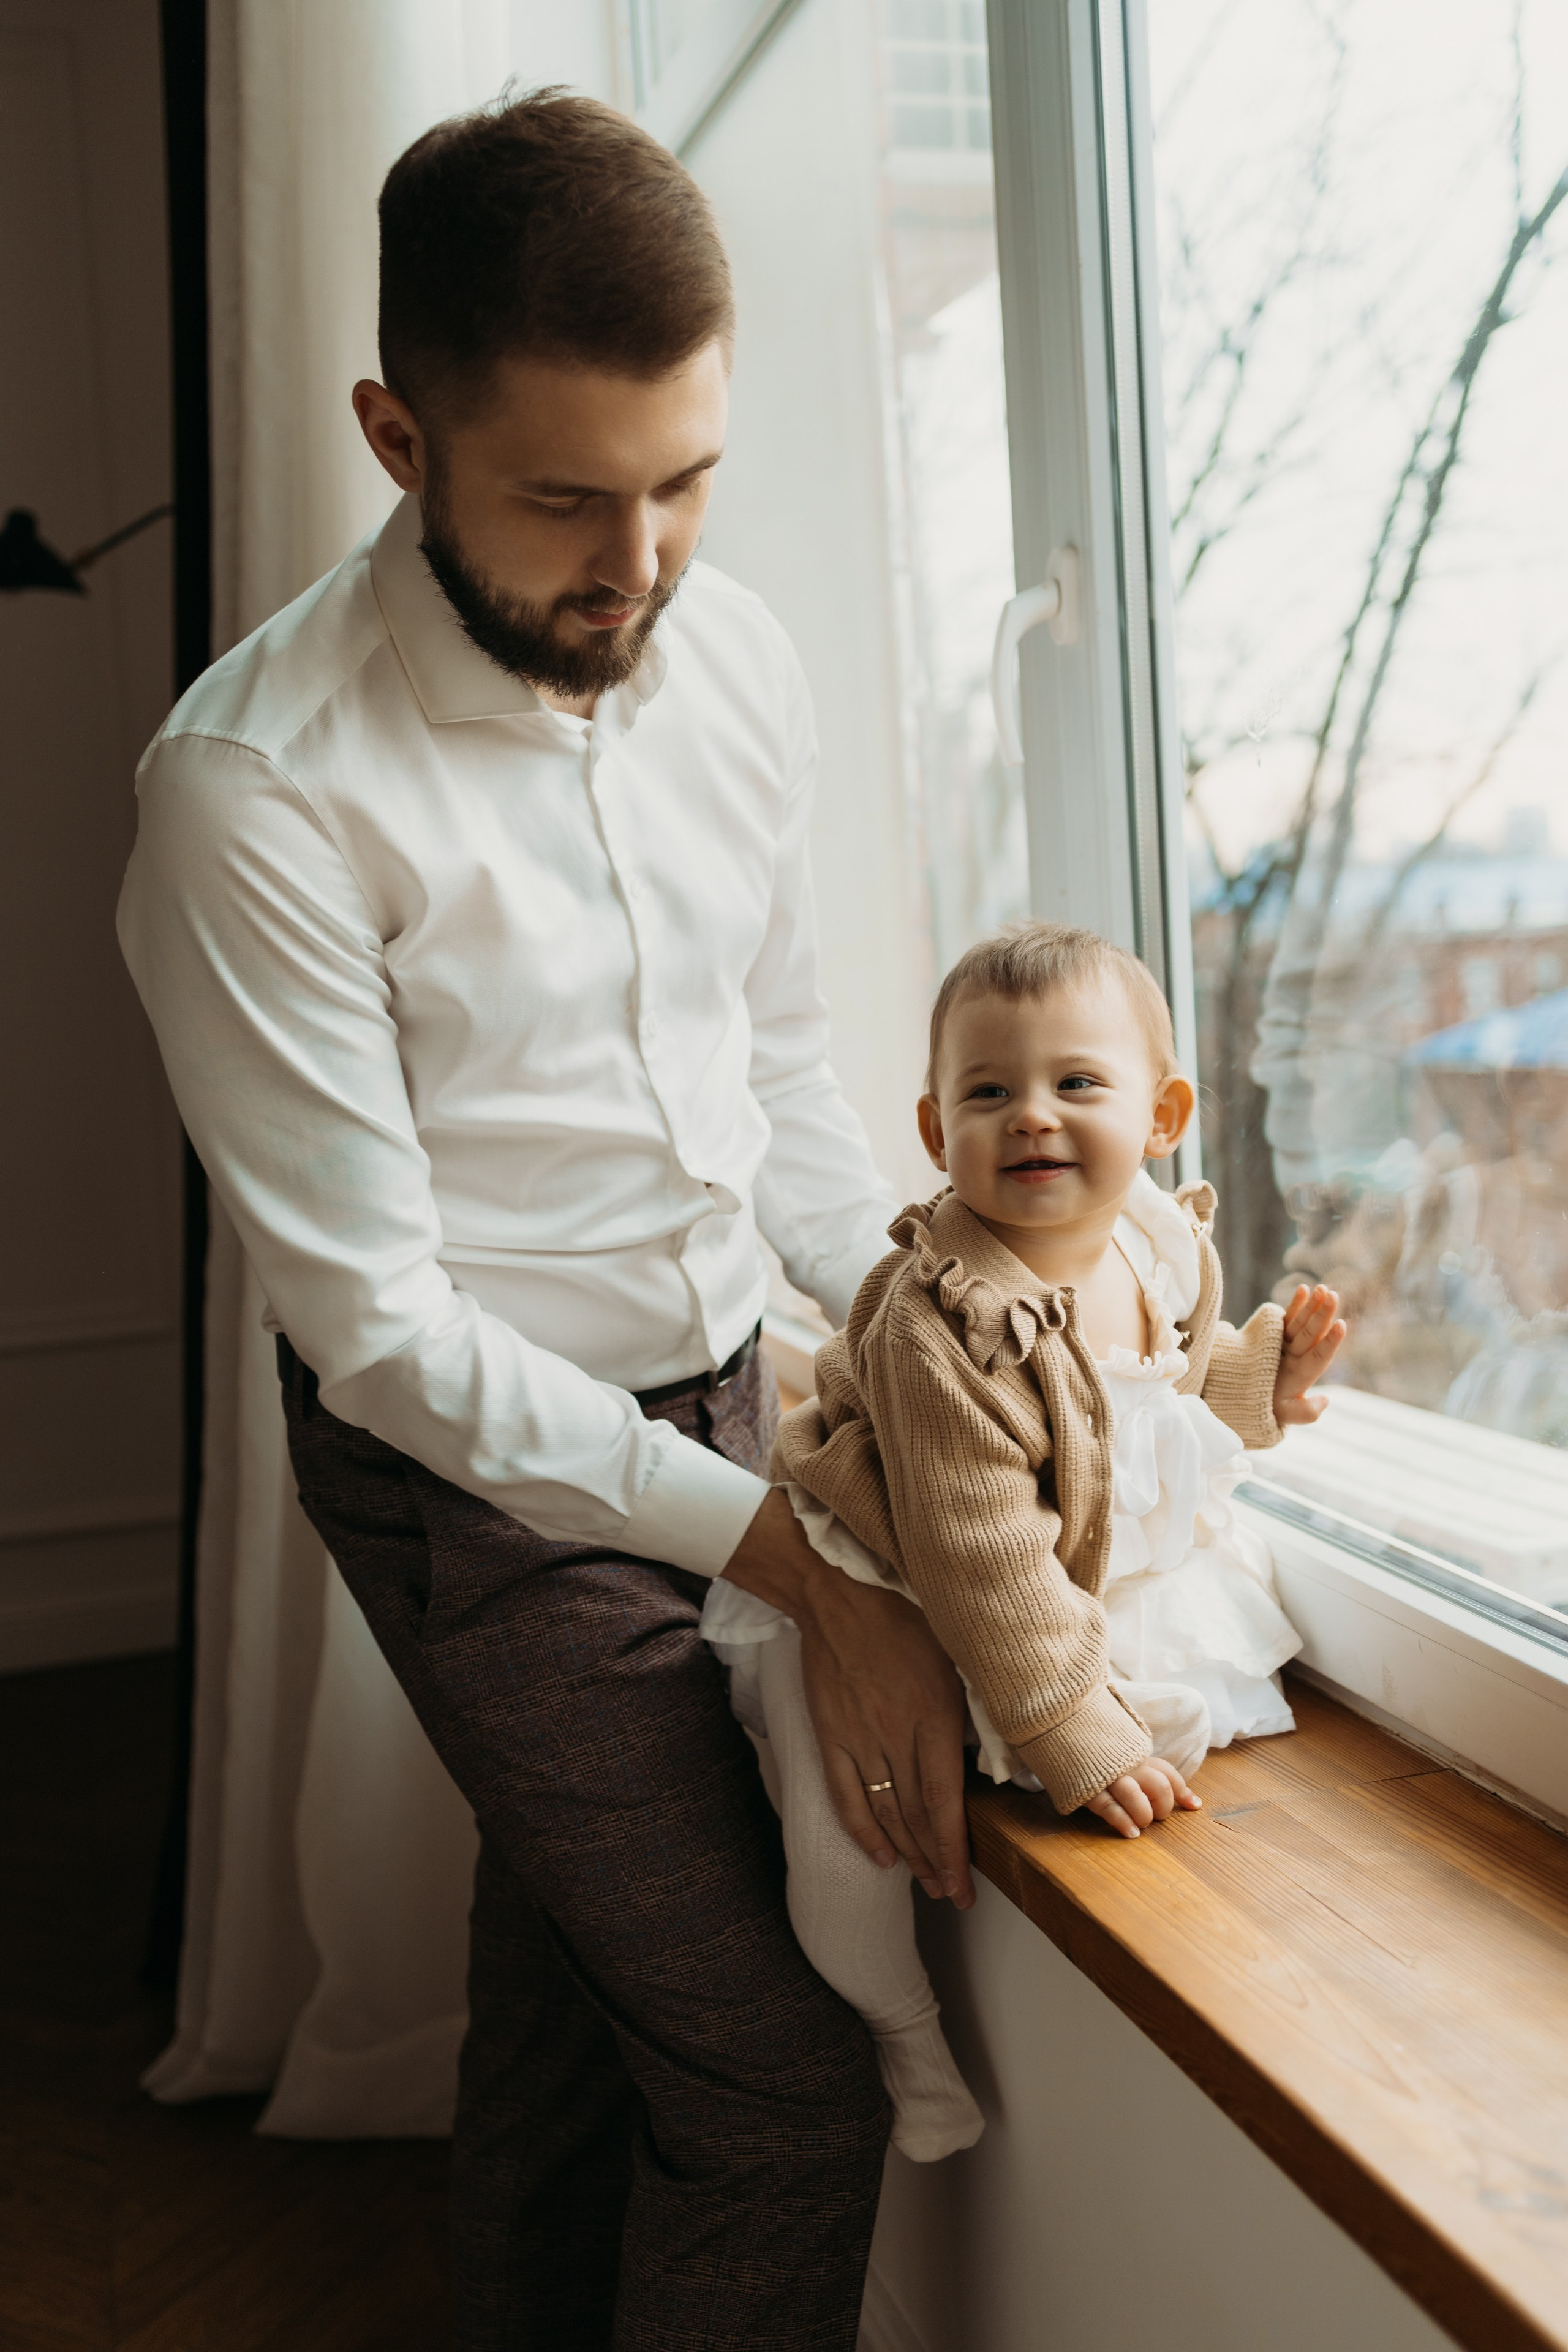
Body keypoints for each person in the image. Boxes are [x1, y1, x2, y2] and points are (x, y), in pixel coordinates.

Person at [117, 89, 979, 2352]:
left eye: (688, 480)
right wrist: (797, 1558)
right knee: (781, 2086)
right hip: (460, 1473)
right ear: (397, 436)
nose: (642, 566)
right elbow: (388, 1338)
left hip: (716, 1382)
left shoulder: (743, 659)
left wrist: (938, 1308)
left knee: (578, 2013)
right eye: (568, 499)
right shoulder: (252, 792)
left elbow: (780, 1073)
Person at [701, 924, 1346, 2158]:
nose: (1032, 1117)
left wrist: (1264, 1380)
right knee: (849, 1841)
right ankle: (897, 2026)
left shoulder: (1154, 1244)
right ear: (938, 1135)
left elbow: (1146, 1397)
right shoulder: (938, 1322)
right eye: (988, 1093)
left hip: (1032, 1573)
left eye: (1075, 1085)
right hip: (879, 1563)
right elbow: (980, 1559)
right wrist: (1073, 1737)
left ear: (1160, 1116)